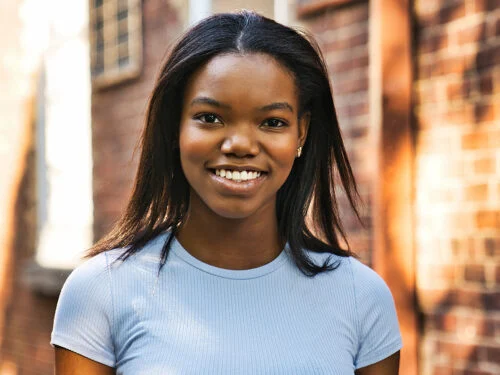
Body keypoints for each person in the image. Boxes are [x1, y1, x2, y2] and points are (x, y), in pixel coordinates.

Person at [52, 11, 402, 375]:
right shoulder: (100, 292)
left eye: (272, 122)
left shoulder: (361, 298)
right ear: (175, 127)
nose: (239, 144)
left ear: (301, 133)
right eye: (210, 117)